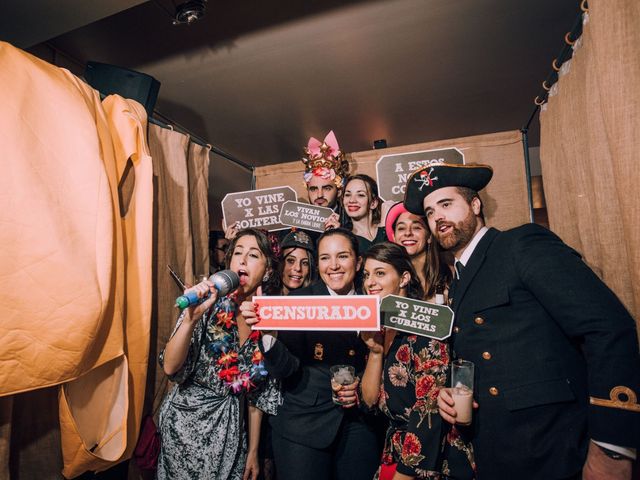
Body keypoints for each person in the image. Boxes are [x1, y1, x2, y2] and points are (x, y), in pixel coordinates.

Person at [403, 162, 640, 480]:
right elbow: (488, 355)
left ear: (475, 204)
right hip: (498, 452)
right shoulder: (459, 280)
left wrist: (613, 448)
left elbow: (608, 328)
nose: (438, 218)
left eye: (446, 204)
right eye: (430, 212)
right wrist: (454, 392)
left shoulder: (520, 245)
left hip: (558, 450)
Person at [241, 228, 380, 480]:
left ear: (358, 262)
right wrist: (269, 335)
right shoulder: (298, 301)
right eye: (325, 258)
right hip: (303, 424)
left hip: (359, 425)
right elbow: (286, 370)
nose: (334, 265)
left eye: (343, 256)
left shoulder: (374, 299)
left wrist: (361, 385)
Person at [157, 228, 281, 480]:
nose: (243, 260)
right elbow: (170, 368)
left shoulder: (268, 320)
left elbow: (258, 393)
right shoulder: (207, 303)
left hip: (232, 432)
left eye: (254, 255)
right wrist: (190, 319)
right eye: (237, 253)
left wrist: (253, 451)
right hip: (185, 427)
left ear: (268, 269)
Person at [360, 242, 475, 480]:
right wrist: (375, 352)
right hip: (394, 451)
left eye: (380, 273)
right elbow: (370, 401)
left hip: (432, 460)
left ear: (403, 278)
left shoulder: (427, 325)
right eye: (366, 274)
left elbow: (429, 409)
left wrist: (404, 474)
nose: (370, 282)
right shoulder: (379, 327)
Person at [385, 202, 451, 300]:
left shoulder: (451, 271)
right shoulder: (388, 280)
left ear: (429, 236)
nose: (408, 233)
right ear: (394, 237)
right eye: (401, 228)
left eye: (416, 228)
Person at [341, 173, 387, 254]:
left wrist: (385, 226)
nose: (352, 200)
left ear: (373, 203)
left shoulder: (389, 230)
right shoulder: (344, 238)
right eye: (347, 195)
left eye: (360, 195)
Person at [277, 229, 316, 295]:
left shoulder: (318, 302)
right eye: (291, 261)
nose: (298, 268)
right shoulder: (262, 297)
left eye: (305, 263)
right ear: (280, 263)